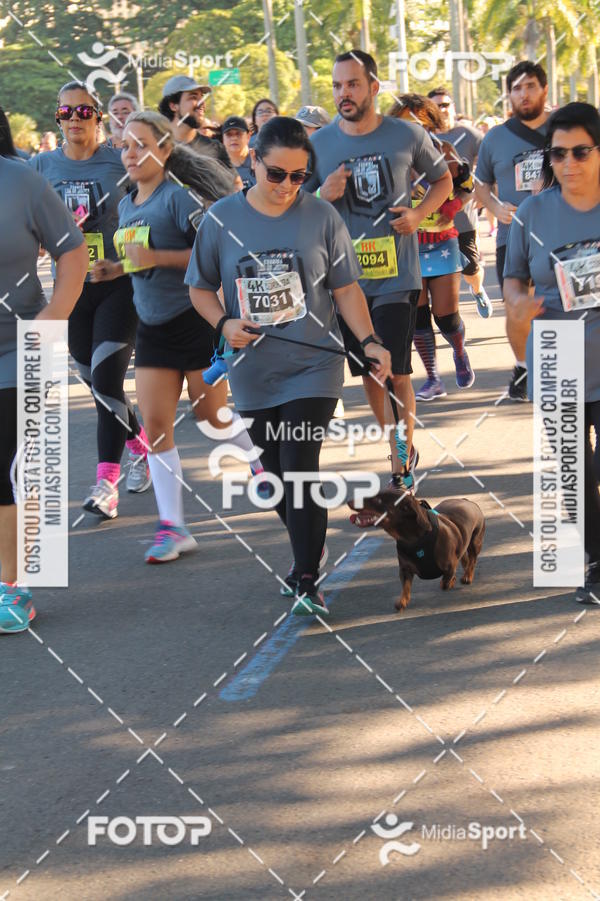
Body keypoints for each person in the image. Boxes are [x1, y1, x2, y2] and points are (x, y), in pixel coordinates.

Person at [185, 116, 391, 614]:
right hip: (252, 369)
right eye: (276, 173)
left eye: (299, 177)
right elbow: (198, 287)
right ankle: (309, 537)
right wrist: (222, 324)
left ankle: (305, 577)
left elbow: (344, 288)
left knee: (299, 466)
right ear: (252, 160)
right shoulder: (221, 219)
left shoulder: (321, 216)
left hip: (312, 367)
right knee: (274, 476)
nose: (286, 187)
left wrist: (369, 340)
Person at [92, 110, 238, 563]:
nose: (131, 153)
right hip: (151, 327)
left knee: (213, 419)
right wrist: (116, 268)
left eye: (141, 144)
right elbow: (138, 260)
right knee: (156, 430)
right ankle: (173, 528)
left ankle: (262, 461)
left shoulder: (180, 199)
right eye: (125, 145)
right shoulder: (128, 203)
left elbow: (212, 251)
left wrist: (155, 255)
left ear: (165, 149)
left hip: (192, 319)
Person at [304, 50, 452, 492]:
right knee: (370, 371)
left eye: (351, 84)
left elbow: (443, 180)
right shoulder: (320, 145)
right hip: (346, 280)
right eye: (336, 85)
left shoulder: (406, 134)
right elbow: (296, 205)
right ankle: (396, 439)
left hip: (397, 276)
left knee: (397, 369)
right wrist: (323, 195)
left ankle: (400, 459)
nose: (342, 94)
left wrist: (419, 214)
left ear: (373, 87)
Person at [30, 81, 151, 518]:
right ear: (57, 118)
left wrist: (124, 262)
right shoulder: (41, 165)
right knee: (100, 386)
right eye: (66, 113)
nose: (74, 120)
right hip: (71, 288)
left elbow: (145, 214)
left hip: (118, 286)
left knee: (105, 382)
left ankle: (106, 484)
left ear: (98, 117)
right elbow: (32, 228)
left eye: (84, 112)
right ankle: (140, 443)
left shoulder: (119, 161)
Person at [503, 102, 600, 603]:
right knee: (574, 474)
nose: (568, 163)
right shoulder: (532, 212)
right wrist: (518, 302)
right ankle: (595, 562)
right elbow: (514, 275)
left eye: (580, 151)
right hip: (558, 353)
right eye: (558, 154)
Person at [1, 137, 88, 632]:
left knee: (4, 463)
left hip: (18, 347)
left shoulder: (23, 182)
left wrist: (54, 318)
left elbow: (72, 253)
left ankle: (12, 587)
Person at [391, 94, 475, 400]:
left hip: (441, 241)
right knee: (419, 313)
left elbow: (468, 187)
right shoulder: (388, 155)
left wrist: (453, 206)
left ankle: (460, 351)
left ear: (429, 121)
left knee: (446, 315)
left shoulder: (444, 151)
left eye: (417, 120)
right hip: (406, 244)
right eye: (402, 121)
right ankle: (433, 378)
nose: (410, 127)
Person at [475, 61, 550, 401]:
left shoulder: (564, 130)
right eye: (517, 88)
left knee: (560, 305)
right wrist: (493, 207)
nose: (524, 94)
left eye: (531, 86)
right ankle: (522, 364)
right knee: (516, 306)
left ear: (544, 89)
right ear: (509, 95)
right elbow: (480, 185)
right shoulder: (495, 138)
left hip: (559, 234)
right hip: (513, 236)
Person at [427, 87, 491, 318]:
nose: (441, 110)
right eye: (436, 105)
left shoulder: (471, 135)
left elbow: (487, 166)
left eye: (445, 104)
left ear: (453, 108)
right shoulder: (423, 138)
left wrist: (486, 194)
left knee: (471, 268)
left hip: (462, 217)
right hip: (429, 221)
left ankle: (477, 289)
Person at [158, 75, 235, 176]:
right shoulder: (155, 149)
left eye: (202, 97)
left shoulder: (214, 148)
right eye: (193, 97)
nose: (202, 103)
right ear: (173, 106)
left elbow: (235, 187)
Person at [221, 115, 255, 188]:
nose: (234, 138)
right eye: (229, 134)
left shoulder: (260, 160)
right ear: (223, 139)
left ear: (248, 136)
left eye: (238, 133)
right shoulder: (217, 167)